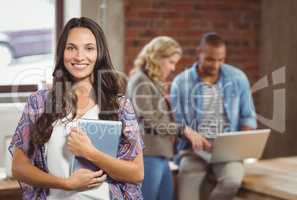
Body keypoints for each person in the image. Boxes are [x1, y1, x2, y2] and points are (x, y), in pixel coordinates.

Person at [8, 17, 144, 200]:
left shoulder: (119, 106)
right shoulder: (39, 102)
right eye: (71, 48)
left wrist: (90, 153)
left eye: (89, 48)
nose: (80, 57)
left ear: (99, 53)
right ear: (62, 52)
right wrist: (66, 184)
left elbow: (136, 173)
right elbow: (18, 168)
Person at [171, 32, 257, 200]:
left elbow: (248, 117)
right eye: (210, 59)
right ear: (199, 53)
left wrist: (242, 143)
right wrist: (191, 135)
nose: (216, 65)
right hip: (193, 151)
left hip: (228, 151)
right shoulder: (181, 83)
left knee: (232, 181)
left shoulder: (238, 78)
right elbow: (178, 124)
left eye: (221, 60)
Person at [126, 36, 210, 200]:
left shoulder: (150, 82)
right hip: (147, 154)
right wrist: (183, 129)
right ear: (157, 58)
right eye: (171, 62)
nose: (173, 68)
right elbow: (151, 120)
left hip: (160, 155)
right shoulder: (140, 80)